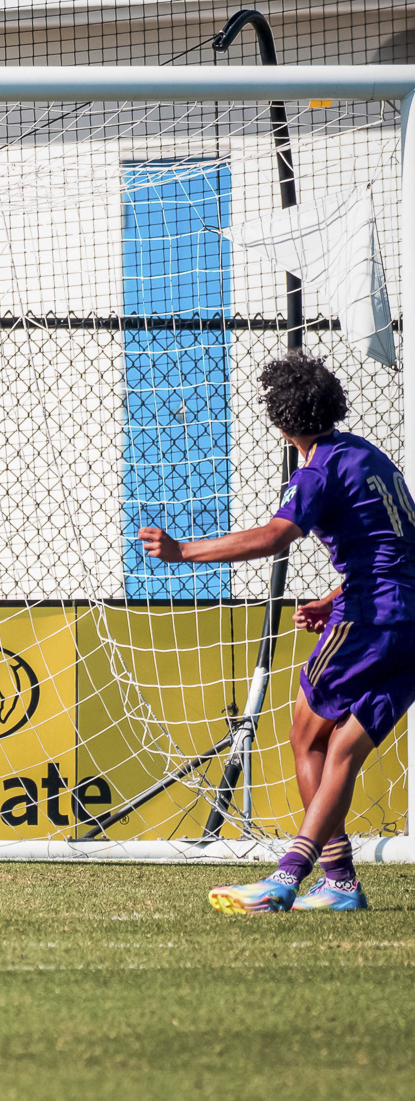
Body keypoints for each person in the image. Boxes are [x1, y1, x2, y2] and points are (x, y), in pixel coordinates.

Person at [139, 352, 415, 912]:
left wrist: (181, 550)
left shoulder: (317, 469)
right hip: (408, 621)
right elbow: (399, 546)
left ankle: (292, 878)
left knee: (306, 736)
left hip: (371, 618)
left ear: (280, 422)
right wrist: (331, 596)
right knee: (342, 748)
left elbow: (274, 536)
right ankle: (336, 884)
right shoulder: (368, 454)